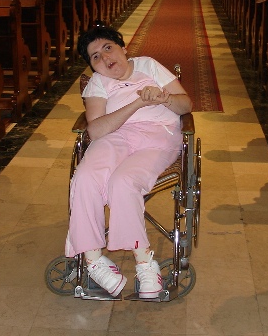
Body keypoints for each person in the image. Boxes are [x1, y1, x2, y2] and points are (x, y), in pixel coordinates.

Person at [65, 26, 193, 298]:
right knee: (85, 177)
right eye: (95, 57)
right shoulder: (98, 83)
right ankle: (94, 261)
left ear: (123, 48)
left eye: (108, 48)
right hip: (116, 137)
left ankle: (145, 263)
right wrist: (136, 103)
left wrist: (165, 98)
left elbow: (186, 106)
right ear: (92, 66)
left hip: (159, 137)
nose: (104, 58)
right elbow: (96, 130)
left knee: (123, 182)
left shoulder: (148, 65)